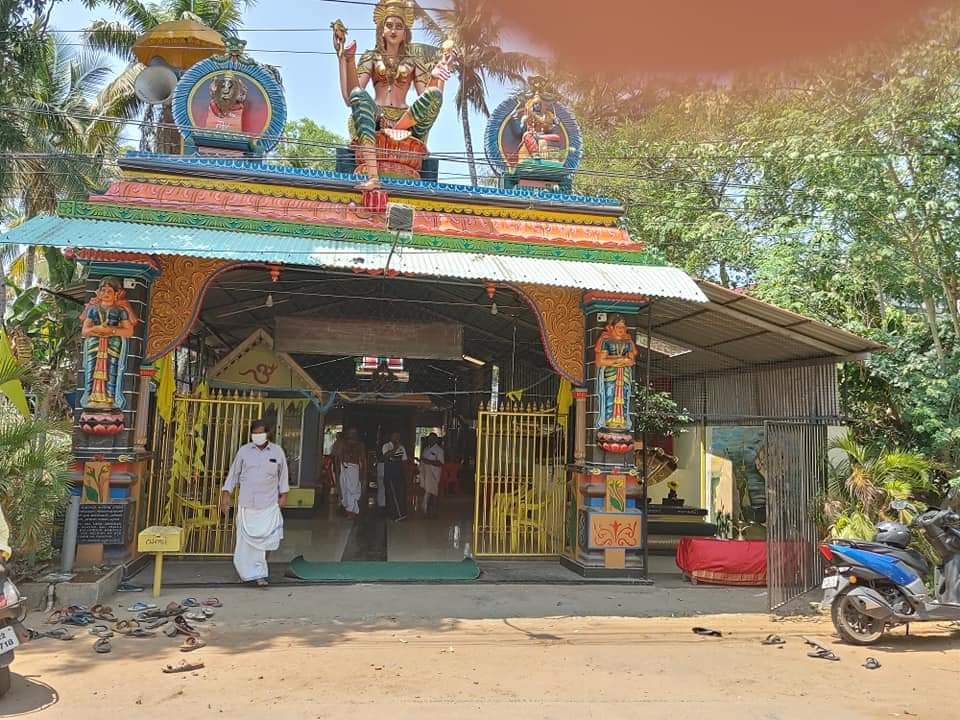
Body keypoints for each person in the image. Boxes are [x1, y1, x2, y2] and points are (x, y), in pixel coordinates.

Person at [333, 0, 456, 189]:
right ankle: (373, 178)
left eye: (399, 27)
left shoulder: (413, 61)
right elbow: (349, 97)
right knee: (358, 94)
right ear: (381, 29)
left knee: (435, 96)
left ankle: (398, 129)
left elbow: (428, 96)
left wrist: (437, 77)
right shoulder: (371, 57)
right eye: (389, 25)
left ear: (405, 32)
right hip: (376, 120)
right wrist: (345, 59)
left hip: (407, 125)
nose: (393, 30)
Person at [220, 419, 289, 587]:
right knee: (244, 543)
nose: (258, 436)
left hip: (268, 504)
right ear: (251, 434)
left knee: (263, 542)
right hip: (247, 504)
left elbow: (283, 475)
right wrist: (226, 495)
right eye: (255, 433)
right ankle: (245, 573)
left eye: (261, 432)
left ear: (267, 434)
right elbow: (233, 475)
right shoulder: (244, 452)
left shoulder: (277, 451)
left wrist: (284, 495)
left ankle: (259, 575)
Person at [339, 428, 367, 518]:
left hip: (354, 469)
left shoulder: (360, 445)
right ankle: (349, 511)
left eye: (353, 433)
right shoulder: (343, 444)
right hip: (344, 468)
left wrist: (364, 472)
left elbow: (363, 459)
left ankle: (351, 512)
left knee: (353, 490)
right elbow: (339, 457)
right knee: (345, 490)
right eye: (350, 433)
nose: (352, 435)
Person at [381, 431, 408, 520]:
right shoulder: (386, 446)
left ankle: (400, 513)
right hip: (389, 473)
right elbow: (386, 457)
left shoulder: (402, 447)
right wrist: (395, 447)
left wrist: (405, 474)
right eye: (395, 436)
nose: (396, 438)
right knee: (390, 493)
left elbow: (404, 461)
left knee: (400, 493)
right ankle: (392, 513)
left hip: (399, 473)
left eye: (398, 436)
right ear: (391, 437)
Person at [419, 433, 444, 518]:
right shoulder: (426, 449)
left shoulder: (439, 450)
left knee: (434, 493)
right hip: (426, 474)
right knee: (427, 491)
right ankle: (427, 511)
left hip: (434, 474)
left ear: (436, 439)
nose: (430, 440)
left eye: (432, 438)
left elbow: (440, 463)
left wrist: (429, 462)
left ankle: (434, 512)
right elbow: (423, 460)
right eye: (429, 438)